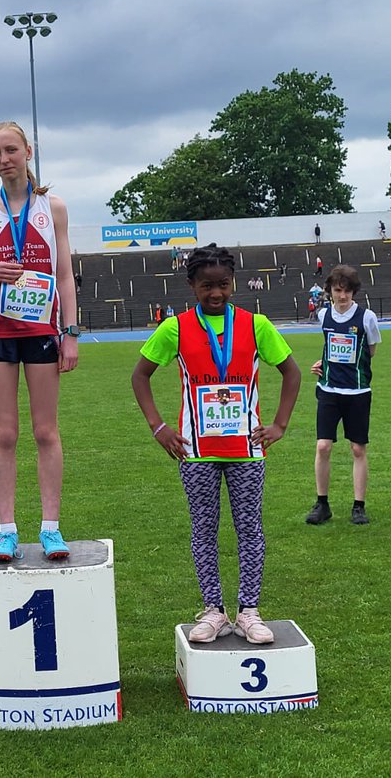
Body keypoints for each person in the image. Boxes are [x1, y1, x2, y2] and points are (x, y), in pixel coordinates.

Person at [132, 244, 301, 644]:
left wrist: (279, 424)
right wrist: (159, 428)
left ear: (234, 283)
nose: (216, 293)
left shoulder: (256, 324)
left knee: (250, 529)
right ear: (192, 285)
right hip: (195, 451)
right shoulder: (175, 328)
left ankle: (248, 611)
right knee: (204, 529)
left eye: (223, 284)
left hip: (247, 449)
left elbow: (292, 373)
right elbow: (140, 376)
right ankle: (213, 610)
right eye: (207, 285)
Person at [0, 120, 79, 562]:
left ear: (28, 150)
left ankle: (51, 528)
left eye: (11, 150)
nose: (4, 159)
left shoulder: (54, 207)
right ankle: (6, 529)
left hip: (42, 329)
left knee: (46, 431)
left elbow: (65, 276)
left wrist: (70, 334)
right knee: (5, 433)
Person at [305, 266, 380, 526]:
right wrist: (322, 362)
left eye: (347, 290)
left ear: (354, 291)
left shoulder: (366, 317)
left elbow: (370, 352)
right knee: (323, 446)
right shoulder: (323, 315)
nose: (343, 295)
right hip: (328, 390)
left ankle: (358, 506)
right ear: (330, 291)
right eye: (338, 290)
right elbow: (328, 347)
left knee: (358, 448)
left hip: (357, 391)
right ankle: (322, 503)